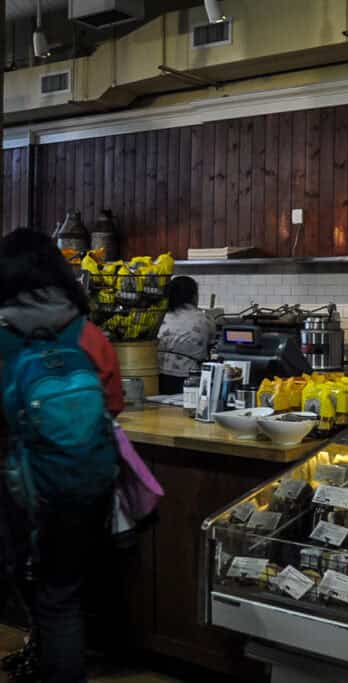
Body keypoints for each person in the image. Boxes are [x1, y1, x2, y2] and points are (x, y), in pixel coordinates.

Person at [0, 227, 123, 683]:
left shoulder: (3, 337)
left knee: (41, 594)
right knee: (63, 596)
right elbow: (112, 405)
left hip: (23, 488)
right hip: (88, 484)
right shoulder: (88, 333)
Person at [157, 275, 215, 394]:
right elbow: (211, 346)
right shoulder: (204, 319)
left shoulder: (160, 316)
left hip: (158, 373)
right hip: (188, 376)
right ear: (194, 296)